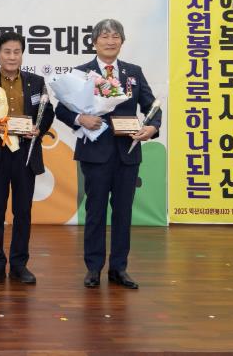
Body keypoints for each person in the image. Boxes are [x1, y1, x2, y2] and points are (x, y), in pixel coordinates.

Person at [56, 19, 160, 290]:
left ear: (122, 41)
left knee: (123, 213)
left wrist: (152, 127)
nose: (110, 41)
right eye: (105, 36)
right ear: (94, 42)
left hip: (128, 153)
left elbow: (152, 107)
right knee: (95, 211)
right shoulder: (81, 73)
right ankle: (93, 268)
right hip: (95, 154)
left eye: (115, 36)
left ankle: (119, 268)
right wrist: (81, 119)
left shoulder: (133, 72)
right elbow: (61, 109)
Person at [0, 32, 54, 285]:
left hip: (25, 154)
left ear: (22, 54)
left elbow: (48, 112)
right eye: (7, 52)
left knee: (22, 212)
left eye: (17, 52)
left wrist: (39, 129)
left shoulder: (36, 82)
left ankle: (19, 265)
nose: (12, 57)